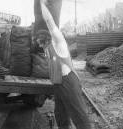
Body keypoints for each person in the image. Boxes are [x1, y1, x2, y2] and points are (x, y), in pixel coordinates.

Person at [36, 0, 96, 129]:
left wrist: (41, 4)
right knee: (61, 115)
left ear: (47, 38)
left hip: (69, 81)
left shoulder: (58, 42)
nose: (38, 44)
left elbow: (49, 22)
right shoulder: (47, 49)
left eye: (40, 41)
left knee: (79, 116)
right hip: (58, 84)